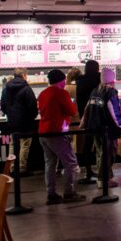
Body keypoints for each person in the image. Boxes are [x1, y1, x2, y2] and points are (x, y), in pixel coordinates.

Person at [37, 69, 84, 204]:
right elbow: (72, 110)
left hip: (43, 132)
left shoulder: (43, 93)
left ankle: (51, 193)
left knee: (50, 164)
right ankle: (69, 192)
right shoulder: (61, 93)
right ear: (61, 80)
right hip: (57, 132)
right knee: (71, 163)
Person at [84, 67, 121, 188]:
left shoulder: (95, 90)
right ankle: (103, 180)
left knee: (100, 153)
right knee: (107, 154)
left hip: (94, 126)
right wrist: (120, 125)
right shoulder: (111, 92)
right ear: (112, 80)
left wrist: (84, 123)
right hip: (107, 129)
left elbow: (88, 109)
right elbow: (114, 111)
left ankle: (103, 178)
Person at [0, 68, 38, 176]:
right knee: (25, 144)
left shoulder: (6, 88)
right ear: (24, 75)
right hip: (26, 122)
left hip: (12, 121)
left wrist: (9, 115)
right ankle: (21, 168)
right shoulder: (26, 88)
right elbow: (33, 105)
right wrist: (33, 116)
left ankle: (12, 168)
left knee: (13, 144)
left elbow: (2, 105)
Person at [75, 60, 101, 180]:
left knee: (87, 143)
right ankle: (101, 170)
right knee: (100, 143)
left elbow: (80, 100)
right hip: (98, 115)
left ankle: (88, 170)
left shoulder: (80, 81)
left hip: (85, 115)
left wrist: (83, 115)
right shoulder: (98, 79)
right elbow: (100, 99)